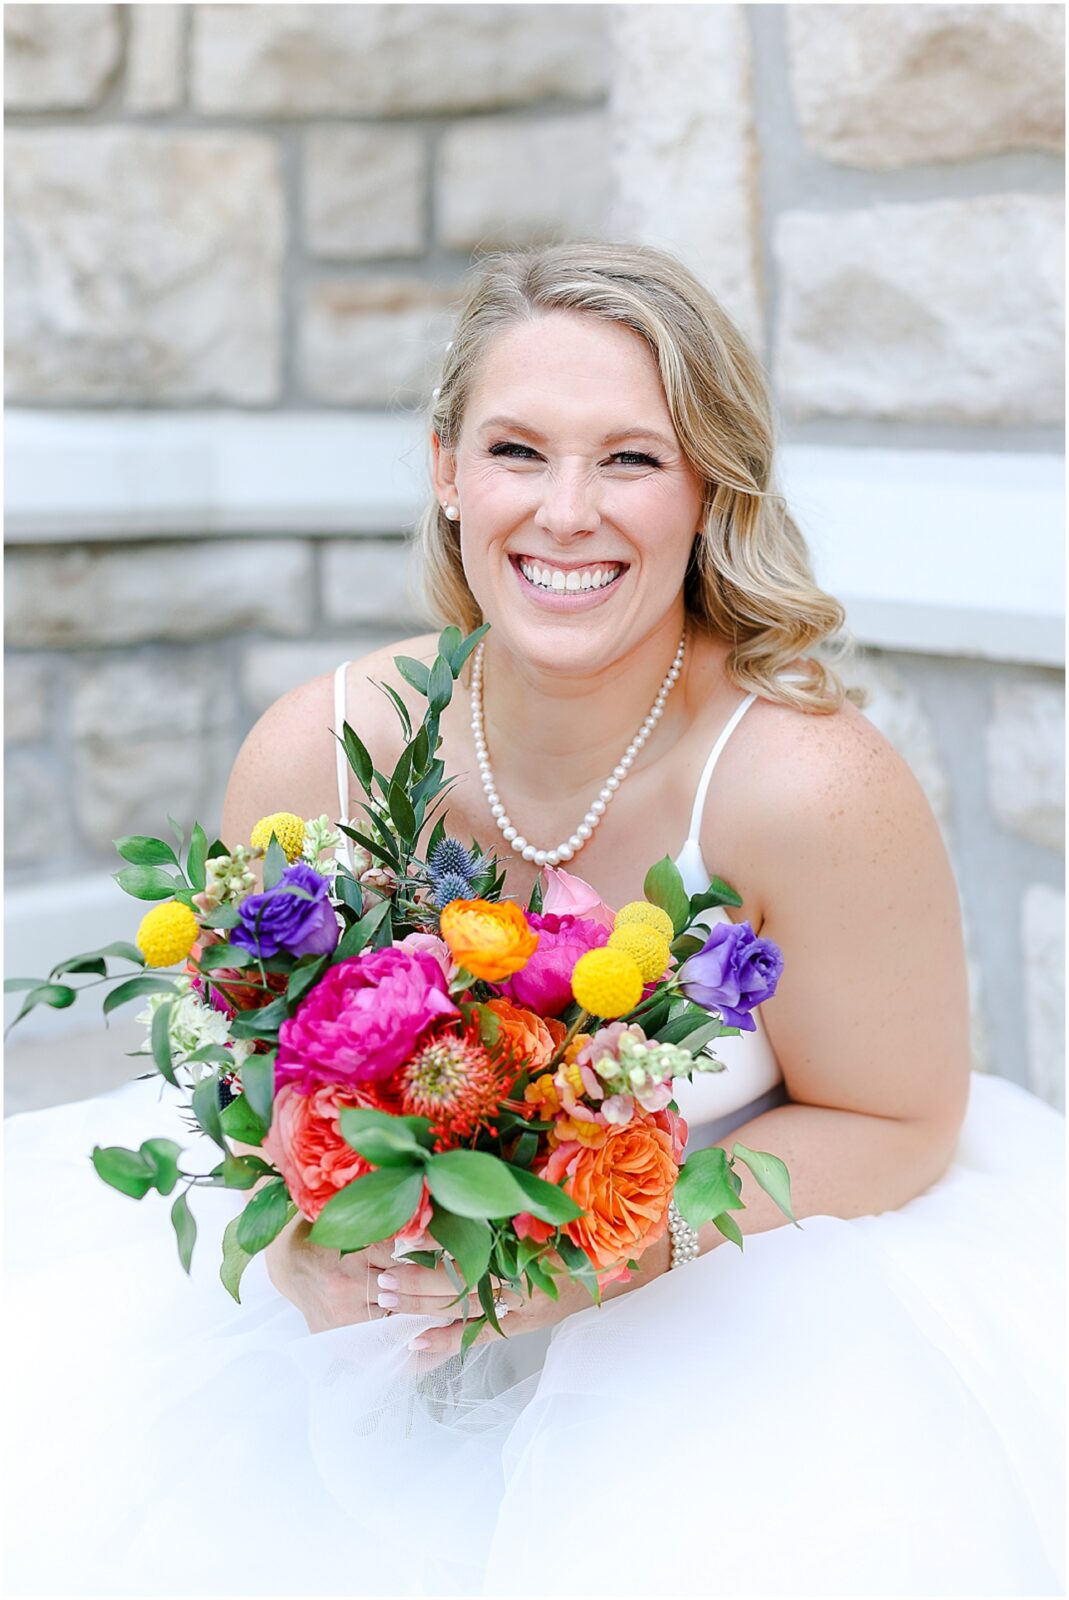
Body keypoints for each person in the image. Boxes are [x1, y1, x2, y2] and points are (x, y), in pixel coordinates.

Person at [4, 241, 1062, 1597]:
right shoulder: (319, 749)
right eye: (517, 451)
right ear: (446, 470)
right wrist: (295, 1244)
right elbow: (252, 1083)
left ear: (709, 488)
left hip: (727, 1328)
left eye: (629, 458)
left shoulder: (806, 785)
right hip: (379, 1345)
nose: (567, 512)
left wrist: (598, 1256)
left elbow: (896, 1120)